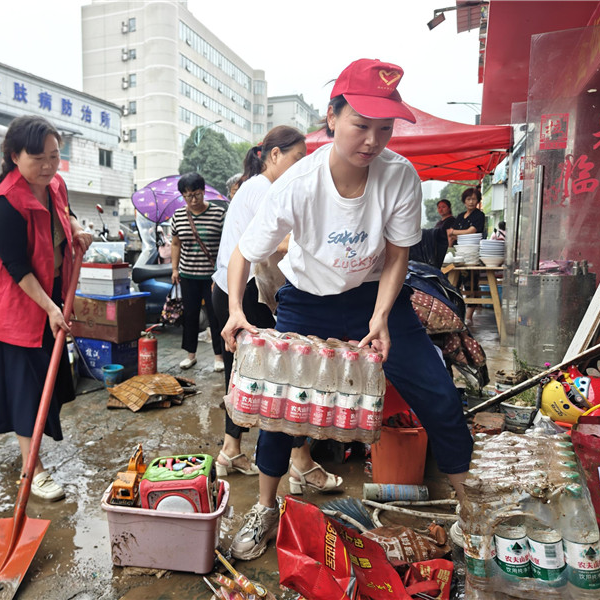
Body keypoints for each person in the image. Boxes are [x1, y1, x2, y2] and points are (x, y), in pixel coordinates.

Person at [221, 59, 473, 561]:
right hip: (306, 300)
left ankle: (471, 510)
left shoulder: (399, 175)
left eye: (385, 129)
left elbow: (400, 251)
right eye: (361, 125)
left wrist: (381, 314)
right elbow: (245, 252)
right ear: (332, 117)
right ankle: (267, 507)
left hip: (376, 300)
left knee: (440, 395)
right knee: (280, 409)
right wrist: (234, 309)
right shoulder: (298, 182)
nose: (373, 141)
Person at [211, 126, 342, 493]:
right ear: (273, 156)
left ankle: (231, 450)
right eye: (297, 158)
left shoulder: (256, 186)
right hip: (245, 293)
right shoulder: (263, 189)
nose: (302, 166)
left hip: (231, 289)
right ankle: (300, 463)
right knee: (284, 375)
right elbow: (282, 242)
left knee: (246, 375)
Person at [0, 115, 93, 502]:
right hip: (14, 305)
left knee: (46, 380)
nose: (47, 166)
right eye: (38, 158)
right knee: (27, 388)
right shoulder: (4, 204)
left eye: (54, 156)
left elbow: (65, 215)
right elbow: (17, 268)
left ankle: (31, 458)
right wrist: (49, 308)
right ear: (14, 156)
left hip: (49, 296)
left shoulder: (54, 184)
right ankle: (33, 469)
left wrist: (76, 228)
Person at [170, 172, 226, 371]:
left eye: (196, 194)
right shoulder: (178, 216)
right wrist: (175, 268)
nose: (192, 200)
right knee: (190, 315)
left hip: (213, 276)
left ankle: (219, 357)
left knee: (215, 315)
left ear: (204, 192)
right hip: (188, 275)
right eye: (187, 196)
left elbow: (225, 245)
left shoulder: (219, 214)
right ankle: (190, 355)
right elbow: (175, 244)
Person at [450, 187, 486, 323]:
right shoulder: (460, 216)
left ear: (478, 201)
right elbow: (452, 235)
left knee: (471, 284)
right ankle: (456, 313)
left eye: (474, 199)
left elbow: (472, 231)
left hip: (472, 254)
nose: (471, 202)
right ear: (464, 201)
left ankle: (469, 316)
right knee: (454, 283)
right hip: (459, 253)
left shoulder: (479, 215)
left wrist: (454, 232)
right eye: (468, 199)